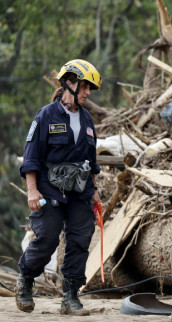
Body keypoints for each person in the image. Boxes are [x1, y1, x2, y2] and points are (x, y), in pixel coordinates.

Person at [16, 59, 103, 316]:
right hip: (49, 191)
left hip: (80, 192)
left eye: (90, 88)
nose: (88, 92)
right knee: (48, 238)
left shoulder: (87, 120)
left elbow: (92, 162)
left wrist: (95, 191)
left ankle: (70, 297)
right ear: (69, 83)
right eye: (85, 86)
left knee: (80, 241)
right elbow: (30, 157)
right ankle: (26, 279)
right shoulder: (45, 116)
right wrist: (32, 191)